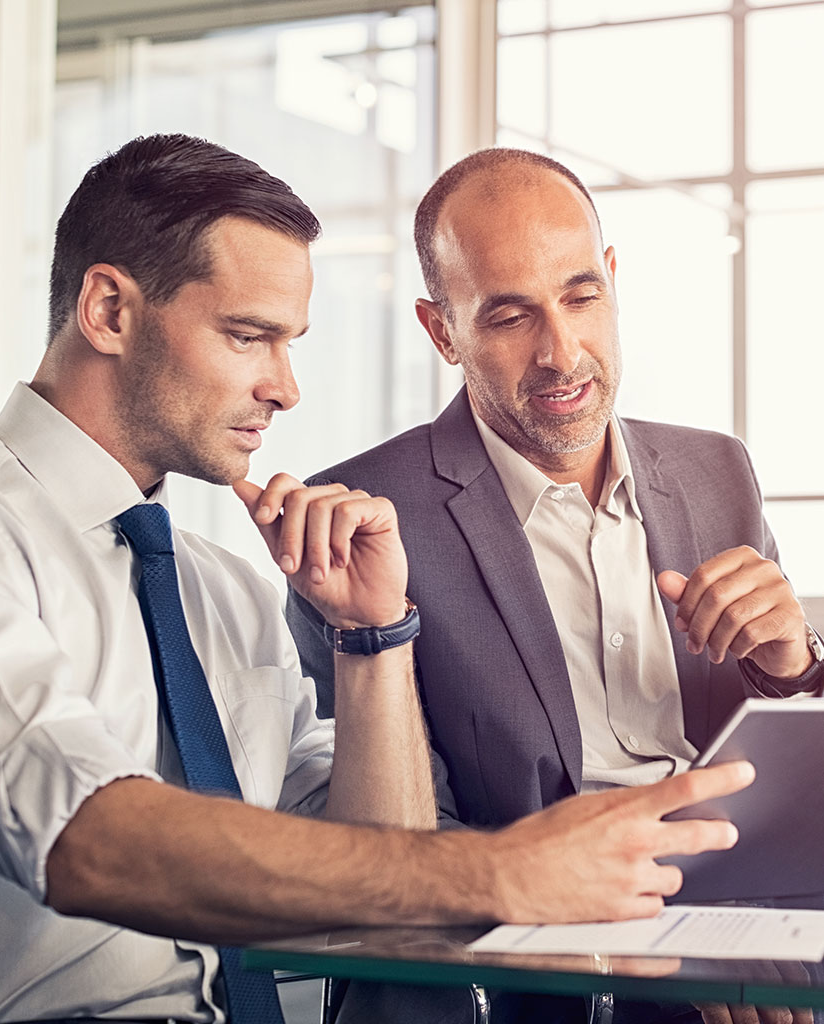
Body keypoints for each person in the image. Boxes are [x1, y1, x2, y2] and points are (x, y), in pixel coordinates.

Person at [0, 134, 752, 1024]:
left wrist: (374, 639)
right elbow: (88, 838)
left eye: (291, 345)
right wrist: (504, 872)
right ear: (108, 310)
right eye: (249, 337)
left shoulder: (225, 592)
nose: (286, 389)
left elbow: (378, 879)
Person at [286, 147, 824, 1024]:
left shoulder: (718, 470)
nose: (561, 352)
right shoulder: (362, 520)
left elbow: (785, 773)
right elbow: (383, 855)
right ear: (441, 331)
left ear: (612, 280)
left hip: (736, 935)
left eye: (581, 297)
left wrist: (795, 666)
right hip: (515, 975)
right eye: (508, 317)